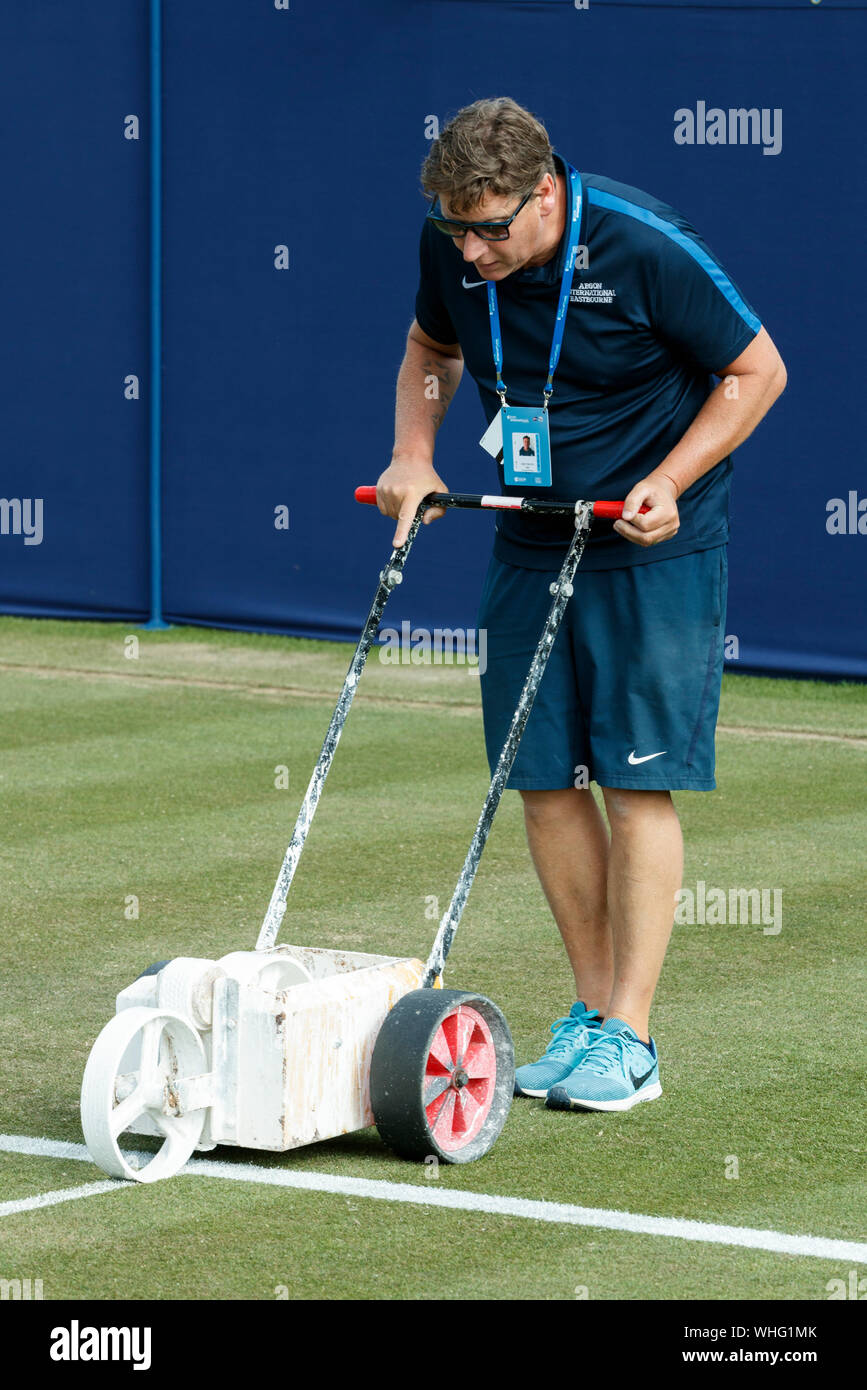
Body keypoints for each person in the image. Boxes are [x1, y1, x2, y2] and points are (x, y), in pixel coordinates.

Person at [375, 97, 786, 1113]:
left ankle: (634, 1040)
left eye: (491, 229)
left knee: (637, 785)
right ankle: (591, 1011)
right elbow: (433, 354)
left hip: (654, 548)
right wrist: (415, 454)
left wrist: (673, 477)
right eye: (456, 231)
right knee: (544, 778)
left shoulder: (643, 245)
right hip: (530, 532)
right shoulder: (457, 252)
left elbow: (756, 369)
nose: (472, 252)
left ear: (545, 192)